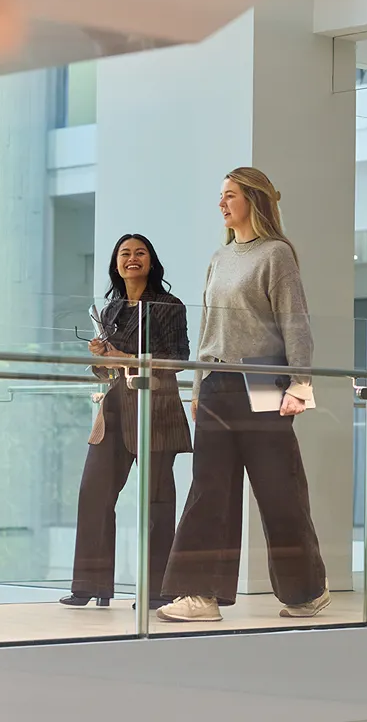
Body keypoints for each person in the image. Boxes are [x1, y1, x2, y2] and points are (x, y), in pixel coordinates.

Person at [157, 167, 329, 623]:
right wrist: (198, 387)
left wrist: (300, 384)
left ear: (254, 199)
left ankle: (307, 591)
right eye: (221, 195)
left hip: (264, 383)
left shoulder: (276, 255)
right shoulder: (220, 257)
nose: (221, 203)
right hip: (216, 382)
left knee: (280, 491)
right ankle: (200, 594)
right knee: (208, 490)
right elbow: (208, 328)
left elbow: (295, 322)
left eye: (230, 195)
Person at [61, 234, 191, 610]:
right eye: (125, 253)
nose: (132, 258)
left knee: (156, 503)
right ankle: (90, 585)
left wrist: (126, 357)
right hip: (116, 408)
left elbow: (179, 358)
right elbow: (108, 371)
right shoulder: (111, 310)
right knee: (94, 493)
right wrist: (102, 358)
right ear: (116, 264)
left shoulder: (168, 305)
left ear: (151, 262)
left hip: (156, 408)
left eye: (140, 253)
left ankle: (157, 591)